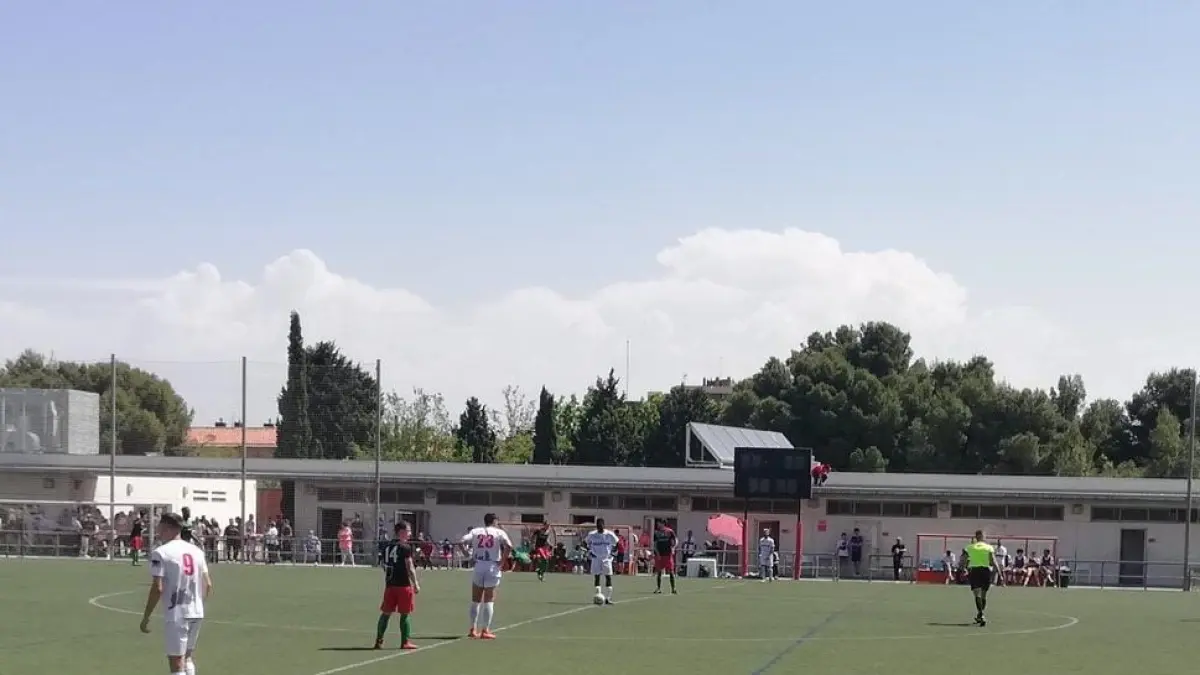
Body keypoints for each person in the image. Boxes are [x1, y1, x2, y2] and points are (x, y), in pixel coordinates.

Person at [139, 512, 213, 675]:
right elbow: (207, 584)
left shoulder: (161, 553)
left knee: (176, 662)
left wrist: (146, 616)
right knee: (187, 657)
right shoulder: (197, 551)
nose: (158, 530)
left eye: (159, 526)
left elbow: (158, 588)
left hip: (177, 613)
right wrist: (197, 603)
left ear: (167, 528)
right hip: (196, 611)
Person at [460, 513, 513, 639]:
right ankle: (485, 630)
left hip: (479, 565)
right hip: (492, 566)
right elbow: (509, 546)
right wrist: (503, 561)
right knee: (489, 599)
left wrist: (467, 554)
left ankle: (472, 629)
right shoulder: (499, 532)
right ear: (494, 521)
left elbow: (461, 541)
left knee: (475, 600)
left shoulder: (476, 531)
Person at [375, 521, 420, 650]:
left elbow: (384, 564)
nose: (410, 533)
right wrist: (415, 583)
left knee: (385, 614)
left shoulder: (387, 546)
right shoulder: (405, 547)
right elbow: (410, 567)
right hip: (403, 585)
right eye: (408, 531)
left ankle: (379, 641)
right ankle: (405, 642)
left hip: (390, 585)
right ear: (401, 532)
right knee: (405, 614)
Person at [962, 530, 999, 626]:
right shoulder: (989, 547)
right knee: (983, 595)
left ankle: (981, 614)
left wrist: (964, 569)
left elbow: (964, 559)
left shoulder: (969, 547)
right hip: (986, 571)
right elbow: (993, 561)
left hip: (974, 571)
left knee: (976, 594)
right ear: (983, 537)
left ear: (976, 537)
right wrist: (1000, 573)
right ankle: (980, 614)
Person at [585, 518, 620, 604]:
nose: (599, 528)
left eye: (601, 526)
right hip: (596, 558)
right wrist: (589, 551)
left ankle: (608, 598)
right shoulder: (592, 534)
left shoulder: (609, 534)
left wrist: (613, 553)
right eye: (598, 526)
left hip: (606, 558)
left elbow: (617, 543)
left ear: (604, 526)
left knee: (608, 577)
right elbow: (585, 542)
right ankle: (598, 595)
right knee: (597, 577)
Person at [651, 519, 677, 595]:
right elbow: (655, 544)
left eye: (659, 523)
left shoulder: (670, 531)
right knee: (659, 572)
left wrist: (673, 548)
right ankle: (658, 588)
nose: (657, 524)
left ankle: (673, 588)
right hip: (660, 555)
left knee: (671, 571)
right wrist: (657, 554)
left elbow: (675, 541)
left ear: (663, 523)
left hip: (668, 555)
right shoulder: (656, 533)